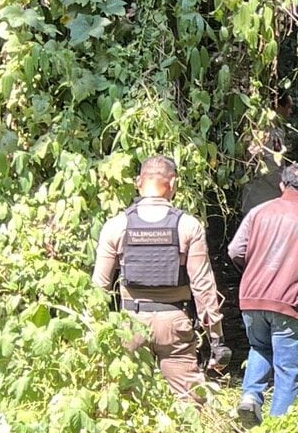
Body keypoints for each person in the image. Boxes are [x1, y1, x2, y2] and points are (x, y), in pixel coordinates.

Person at [93, 155, 228, 402]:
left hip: (130, 323)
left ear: (138, 182)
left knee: (125, 400)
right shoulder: (188, 226)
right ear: (174, 184)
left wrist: (94, 332)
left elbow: (99, 288)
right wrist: (216, 338)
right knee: (190, 401)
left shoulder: (115, 226)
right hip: (174, 324)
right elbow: (203, 287)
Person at [228, 160, 298, 424]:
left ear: (282, 185)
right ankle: (278, 427)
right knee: (288, 368)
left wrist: (255, 272)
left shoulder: (258, 212)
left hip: (252, 297)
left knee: (259, 347)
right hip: (290, 300)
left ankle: (250, 397)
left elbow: (235, 250)